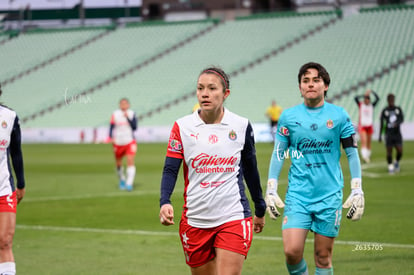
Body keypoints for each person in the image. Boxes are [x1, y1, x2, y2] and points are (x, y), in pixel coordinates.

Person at [159, 66, 266, 275]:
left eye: (211, 88)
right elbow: (170, 168)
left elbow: (251, 170)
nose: (205, 94)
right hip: (195, 220)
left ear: (225, 94)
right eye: (200, 88)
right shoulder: (182, 127)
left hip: (233, 216)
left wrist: (259, 207)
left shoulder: (241, 125)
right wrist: (165, 201)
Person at [265, 62, 365, 275]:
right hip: (298, 196)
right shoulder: (288, 117)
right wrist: (271, 187)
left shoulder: (339, 116)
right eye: (305, 80)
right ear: (300, 87)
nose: (310, 84)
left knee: (323, 257)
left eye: (316, 80)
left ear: (326, 85)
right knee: (292, 251)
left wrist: (357, 188)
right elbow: (278, 153)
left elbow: (351, 152)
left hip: (329, 196)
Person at [0, 84, 26, 275]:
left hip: (4, 188)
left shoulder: (9, 117)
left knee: (5, 240)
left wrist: (21, 183)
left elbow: (16, 152)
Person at [109, 98, 138, 191]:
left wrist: (127, 118)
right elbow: (111, 127)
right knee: (118, 163)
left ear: (128, 105)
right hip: (118, 141)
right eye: (122, 103)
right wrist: (111, 137)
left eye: (125, 104)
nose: (123, 105)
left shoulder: (132, 113)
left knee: (130, 160)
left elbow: (134, 127)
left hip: (129, 141)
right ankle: (122, 179)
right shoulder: (115, 114)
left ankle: (129, 183)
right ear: (119, 105)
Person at [379, 93, 404, 174]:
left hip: (397, 134)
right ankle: (390, 166)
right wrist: (380, 135)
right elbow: (382, 123)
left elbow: (401, 119)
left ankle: (396, 161)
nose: (391, 102)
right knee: (389, 151)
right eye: (390, 100)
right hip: (388, 134)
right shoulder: (385, 110)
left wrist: (397, 123)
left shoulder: (398, 109)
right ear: (388, 101)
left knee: (400, 151)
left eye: (392, 100)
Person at [354, 89, 380, 163]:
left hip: (369, 126)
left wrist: (371, 92)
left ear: (369, 100)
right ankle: (364, 157)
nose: (366, 100)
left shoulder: (372, 106)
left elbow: (378, 98)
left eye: (368, 99)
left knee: (369, 142)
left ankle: (367, 156)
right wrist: (364, 95)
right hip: (362, 126)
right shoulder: (361, 105)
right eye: (365, 99)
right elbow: (355, 98)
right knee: (364, 141)